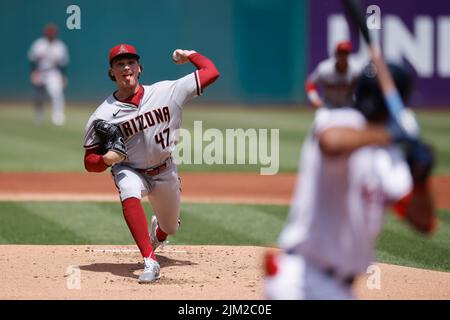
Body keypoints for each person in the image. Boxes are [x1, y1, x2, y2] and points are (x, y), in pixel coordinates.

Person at [264, 59, 436, 299]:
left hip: (339, 289)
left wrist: (421, 178)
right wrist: (391, 133)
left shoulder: (391, 157)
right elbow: (330, 142)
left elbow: (422, 222)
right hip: (300, 278)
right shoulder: (338, 121)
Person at [82, 44, 219, 283]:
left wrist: (190, 55)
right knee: (128, 189)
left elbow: (211, 72)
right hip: (130, 168)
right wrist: (105, 159)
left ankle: (159, 232)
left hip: (165, 170)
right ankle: (150, 261)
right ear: (111, 72)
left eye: (131, 62)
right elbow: (89, 162)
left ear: (140, 68)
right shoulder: (102, 115)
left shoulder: (168, 91)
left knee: (170, 227)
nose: (126, 68)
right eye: (119, 64)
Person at [28, 23, 69, 125]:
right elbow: (32, 60)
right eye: (49, 32)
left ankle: (58, 117)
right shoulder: (38, 44)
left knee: (57, 94)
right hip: (40, 71)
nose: (51, 34)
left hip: (53, 72)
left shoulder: (60, 46)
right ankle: (39, 115)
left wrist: (63, 76)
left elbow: (63, 63)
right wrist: (33, 73)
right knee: (39, 95)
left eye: (53, 32)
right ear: (45, 33)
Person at [305, 40, 365, 109]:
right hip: (328, 106)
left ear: (349, 55)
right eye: (340, 53)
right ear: (336, 54)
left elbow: (364, 87)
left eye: (345, 53)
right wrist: (314, 99)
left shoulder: (356, 69)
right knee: (321, 118)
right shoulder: (325, 68)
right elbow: (310, 83)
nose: (342, 56)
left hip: (348, 106)